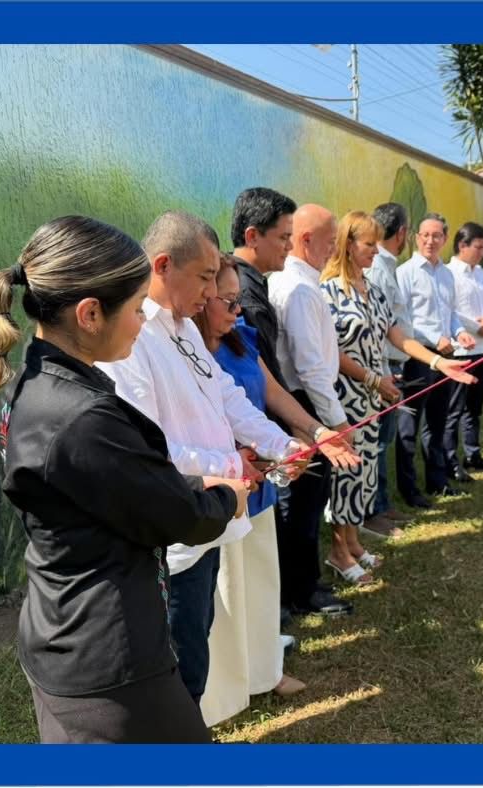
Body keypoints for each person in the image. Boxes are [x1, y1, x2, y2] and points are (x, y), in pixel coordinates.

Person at [0, 215, 248, 743]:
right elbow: (176, 514)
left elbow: (121, 488)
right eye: (138, 308)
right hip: (108, 663)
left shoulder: (37, 386)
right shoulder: (81, 417)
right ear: (91, 313)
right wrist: (226, 499)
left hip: (65, 633)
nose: (143, 322)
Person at [98, 210, 308, 727]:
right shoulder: (131, 340)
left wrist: (281, 445)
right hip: (172, 540)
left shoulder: (183, 330)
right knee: (178, 668)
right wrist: (232, 464)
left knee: (195, 654)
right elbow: (151, 450)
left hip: (205, 525)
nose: (213, 292)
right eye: (206, 277)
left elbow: (227, 396)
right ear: (162, 266)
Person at [193, 253, 360, 701]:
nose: (237, 310)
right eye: (228, 301)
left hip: (261, 483)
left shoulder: (242, 337)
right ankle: (229, 686)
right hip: (222, 488)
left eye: (238, 300)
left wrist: (314, 433)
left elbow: (273, 394)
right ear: (201, 299)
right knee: (228, 593)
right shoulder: (188, 353)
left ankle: (266, 672)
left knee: (261, 584)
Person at [320, 211, 476, 583]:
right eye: (369, 244)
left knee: (364, 471)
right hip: (345, 397)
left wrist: (438, 362)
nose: (376, 251)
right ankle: (339, 552)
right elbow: (328, 351)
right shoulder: (328, 291)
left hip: (373, 397)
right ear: (348, 244)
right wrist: (373, 379)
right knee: (346, 476)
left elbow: (398, 336)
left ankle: (353, 543)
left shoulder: (372, 289)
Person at [269, 203, 355, 616]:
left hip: (305, 401)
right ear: (306, 240)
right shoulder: (299, 290)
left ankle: (300, 584)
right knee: (303, 504)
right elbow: (310, 367)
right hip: (306, 403)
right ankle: (302, 591)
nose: (334, 250)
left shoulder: (298, 283)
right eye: (330, 241)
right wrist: (335, 421)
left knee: (306, 502)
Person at [395, 213, 477, 506]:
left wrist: (459, 332)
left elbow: (450, 313)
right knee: (408, 427)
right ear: (416, 237)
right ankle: (409, 489)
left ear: (444, 239)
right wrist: (434, 337)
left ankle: (437, 480)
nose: (430, 241)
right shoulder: (405, 273)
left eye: (436, 236)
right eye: (425, 235)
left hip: (446, 356)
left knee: (437, 422)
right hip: (417, 357)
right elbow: (401, 322)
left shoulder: (446, 274)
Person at [362, 202, 415, 538]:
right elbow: (378, 328)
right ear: (403, 232)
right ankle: (373, 511)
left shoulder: (384, 266)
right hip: (381, 368)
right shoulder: (378, 270)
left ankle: (381, 503)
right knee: (378, 442)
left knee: (383, 440)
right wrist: (381, 372)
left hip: (388, 364)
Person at [444, 222, 483, 480]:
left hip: (482, 347)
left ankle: (473, 454)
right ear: (462, 245)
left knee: (474, 407)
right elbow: (451, 311)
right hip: (460, 350)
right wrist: (480, 327)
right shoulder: (449, 273)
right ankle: (450, 461)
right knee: (454, 409)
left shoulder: (480, 273)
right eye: (479, 247)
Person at [231, 187, 297, 393]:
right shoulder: (246, 298)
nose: (290, 246)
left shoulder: (240, 280)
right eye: (284, 237)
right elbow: (268, 383)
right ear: (252, 236)